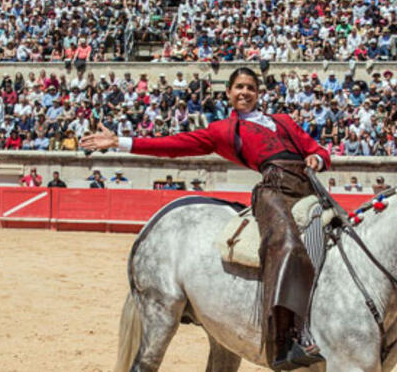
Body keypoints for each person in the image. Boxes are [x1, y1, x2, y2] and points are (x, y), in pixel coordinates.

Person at [80, 67, 330, 369]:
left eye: (250, 87)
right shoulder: (223, 130)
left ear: (258, 93)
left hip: (307, 189)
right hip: (272, 192)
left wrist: (317, 158)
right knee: (286, 244)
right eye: (239, 87)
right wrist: (120, 142)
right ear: (229, 93)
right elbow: (174, 145)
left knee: (345, 235)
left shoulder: (284, 122)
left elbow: (316, 148)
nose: (245, 92)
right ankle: (286, 339)